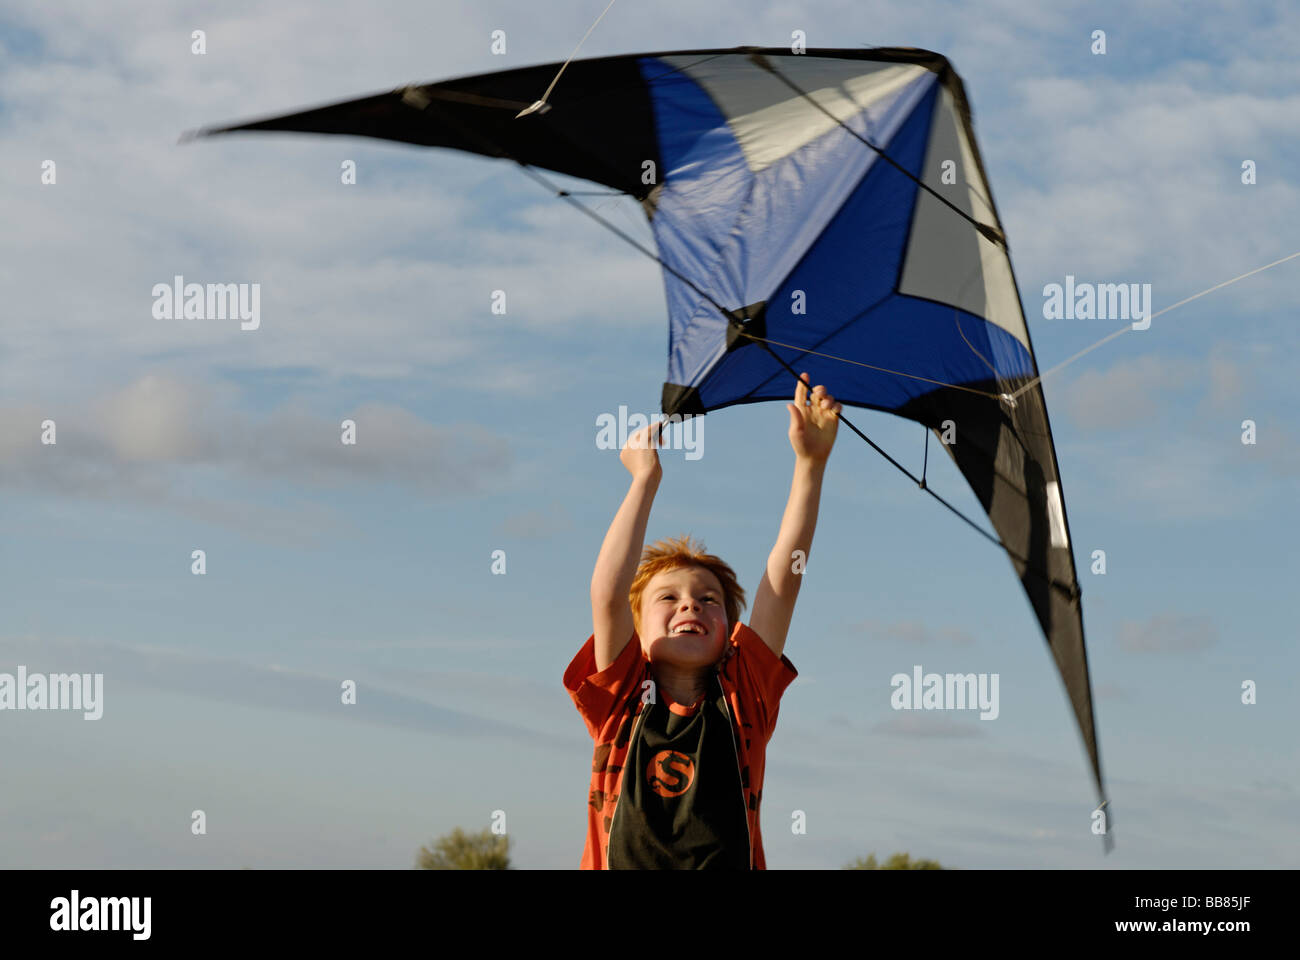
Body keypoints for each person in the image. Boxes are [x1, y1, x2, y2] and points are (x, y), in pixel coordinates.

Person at [563, 372, 841, 869]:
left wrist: (810, 465)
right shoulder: (621, 694)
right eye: (667, 597)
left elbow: (783, 580)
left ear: (730, 636)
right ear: (637, 632)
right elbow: (607, 595)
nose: (691, 605)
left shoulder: (743, 695)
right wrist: (644, 480)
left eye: (709, 599)